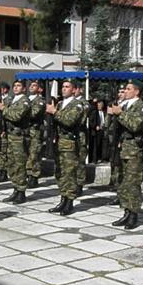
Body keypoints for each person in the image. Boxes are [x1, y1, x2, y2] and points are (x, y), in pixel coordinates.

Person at [108, 79, 143, 230]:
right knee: (124, 183)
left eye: (128, 89)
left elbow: (135, 125)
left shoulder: (142, 107)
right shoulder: (124, 105)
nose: (124, 91)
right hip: (123, 148)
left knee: (133, 183)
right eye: (124, 89)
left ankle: (133, 214)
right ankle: (126, 211)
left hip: (134, 150)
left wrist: (120, 114)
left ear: (136, 92)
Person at [46, 80, 86, 216]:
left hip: (69, 143)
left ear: (74, 90)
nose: (64, 89)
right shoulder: (61, 104)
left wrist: (54, 112)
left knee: (69, 173)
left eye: (67, 87)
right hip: (59, 142)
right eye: (63, 87)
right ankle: (63, 198)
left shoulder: (78, 104)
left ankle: (69, 202)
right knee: (60, 172)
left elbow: (69, 120)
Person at [0, 80, 31, 204]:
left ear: (23, 88)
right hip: (10, 136)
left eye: (18, 86)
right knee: (11, 163)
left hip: (19, 137)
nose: (16, 88)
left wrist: (4, 109)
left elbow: (16, 116)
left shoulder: (25, 101)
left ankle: (21, 191)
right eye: (14, 86)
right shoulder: (12, 100)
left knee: (19, 164)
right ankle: (15, 188)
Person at [26, 79, 46, 188]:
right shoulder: (27, 99)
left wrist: (19, 112)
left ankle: (34, 176)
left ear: (40, 89)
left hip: (35, 132)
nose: (31, 87)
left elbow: (33, 114)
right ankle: (28, 174)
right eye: (31, 85)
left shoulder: (40, 101)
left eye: (34, 85)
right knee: (27, 154)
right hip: (26, 131)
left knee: (34, 154)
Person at [73, 84, 90, 196]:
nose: (74, 91)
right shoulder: (68, 102)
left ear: (80, 90)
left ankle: (79, 183)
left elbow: (81, 119)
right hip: (70, 137)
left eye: (76, 89)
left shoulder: (84, 104)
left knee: (80, 160)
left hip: (80, 135)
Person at [0, 82, 11, 182]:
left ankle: (4, 172)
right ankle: (0, 170)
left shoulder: (9, 100)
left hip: (4, 129)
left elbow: (7, 115)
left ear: (5, 89)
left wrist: (4, 129)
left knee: (3, 151)